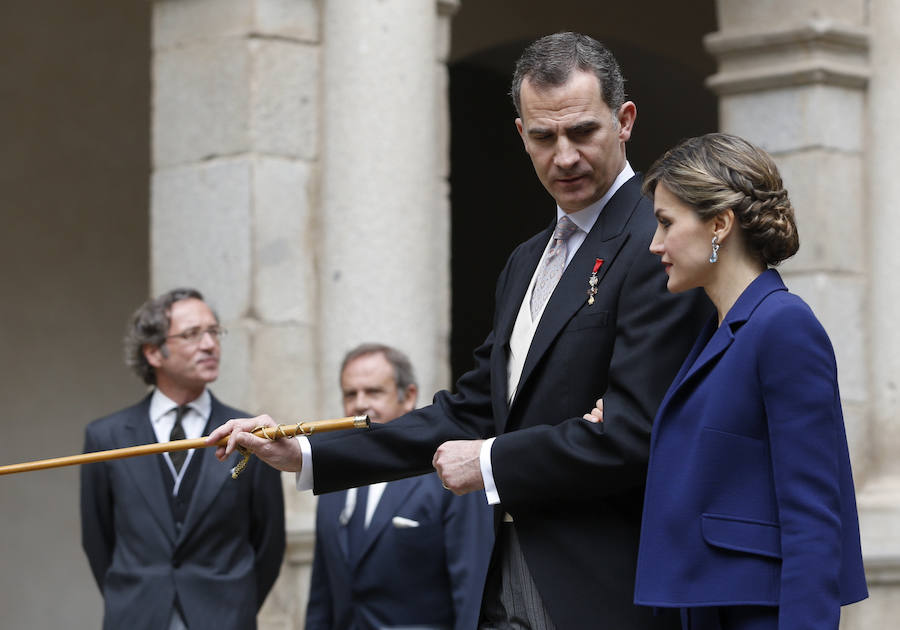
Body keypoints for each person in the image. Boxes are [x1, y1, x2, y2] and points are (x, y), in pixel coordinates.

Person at [211, 32, 711, 629]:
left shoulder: (658, 244)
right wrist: (305, 451)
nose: (565, 157)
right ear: (521, 135)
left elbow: (636, 435)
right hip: (509, 582)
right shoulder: (526, 260)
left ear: (624, 121)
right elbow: (470, 410)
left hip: (609, 589)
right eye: (545, 137)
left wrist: (492, 462)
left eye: (583, 132)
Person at [584, 132, 867, 629]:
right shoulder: (714, 332)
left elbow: (814, 518)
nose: (655, 244)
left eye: (666, 223)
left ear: (719, 225)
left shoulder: (783, 325)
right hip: (705, 612)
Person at [80, 288, 285, 630]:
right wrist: (135, 599)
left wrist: (235, 605)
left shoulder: (251, 433)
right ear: (153, 353)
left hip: (225, 618)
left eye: (214, 332)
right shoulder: (106, 437)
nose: (210, 345)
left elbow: (269, 541)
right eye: (192, 334)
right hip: (136, 617)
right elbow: (97, 539)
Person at [306, 343, 493, 630]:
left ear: (409, 397)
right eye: (350, 394)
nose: (359, 403)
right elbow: (322, 595)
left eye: (374, 392)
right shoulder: (332, 481)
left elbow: (472, 591)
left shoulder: (450, 475)